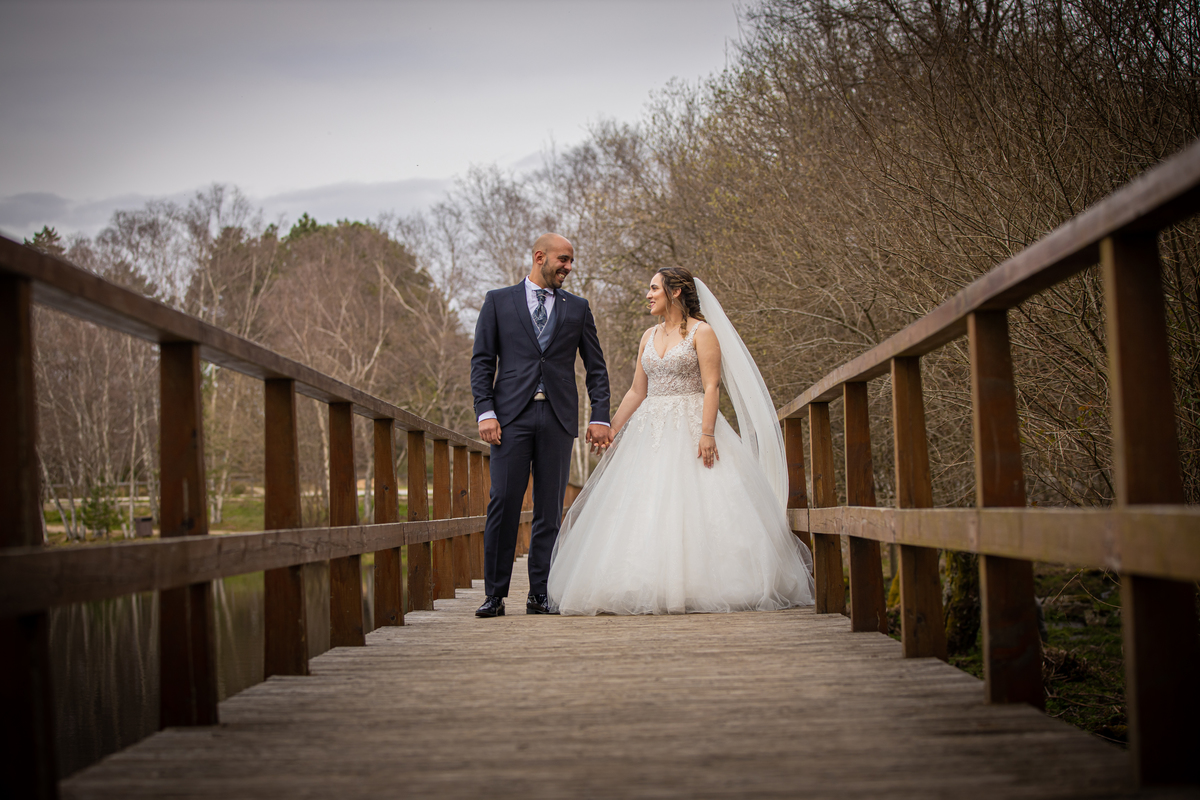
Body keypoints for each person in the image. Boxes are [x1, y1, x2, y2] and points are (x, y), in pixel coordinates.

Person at [547, 267, 814, 615]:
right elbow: (636, 390)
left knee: (700, 500)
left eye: (654, 288)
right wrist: (609, 427)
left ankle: (710, 583)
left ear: (674, 292)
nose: (648, 294)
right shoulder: (648, 335)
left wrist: (706, 433)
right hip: (649, 430)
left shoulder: (703, 333)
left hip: (692, 424)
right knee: (645, 503)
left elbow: (711, 386)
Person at [471, 233, 612, 617]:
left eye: (570, 261)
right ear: (540, 257)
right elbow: (483, 361)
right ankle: (495, 595)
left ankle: (540, 594)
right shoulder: (498, 302)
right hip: (509, 418)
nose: (568, 267)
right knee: (503, 504)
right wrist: (485, 411)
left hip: (557, 417)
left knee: (549, 509)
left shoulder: (578, 307)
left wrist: (600, 415)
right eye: (563, 260)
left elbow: (596, 368)